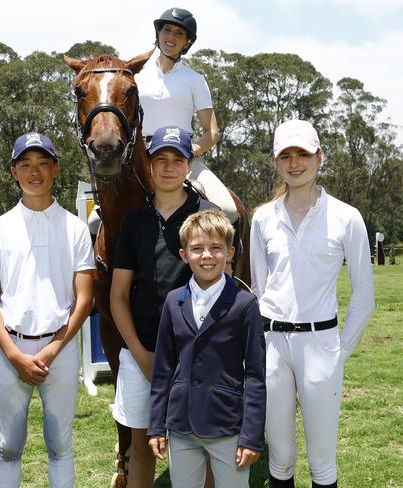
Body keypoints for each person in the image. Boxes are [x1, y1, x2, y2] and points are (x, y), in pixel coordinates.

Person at [250, 119, 375, 488]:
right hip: (273, 345)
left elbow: (364, 297)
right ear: (276, 162)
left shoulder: (346, 217)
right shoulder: (262, 219)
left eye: (302, 153)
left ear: (319, 157)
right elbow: (259, 288)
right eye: (285, 155)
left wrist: (338, 349)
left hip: (321, 344)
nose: (294, 163)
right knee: (281, 456)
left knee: (321, 460)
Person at [0, 132, 94, 487]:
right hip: (10, 349)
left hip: (60, 346)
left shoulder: (75, 228)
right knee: (9, 447)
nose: (34, 172)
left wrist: (54, 348)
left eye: (43, 163)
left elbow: (84, 298)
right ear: (14, 171)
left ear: (55, 168)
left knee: (60, 445)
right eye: (25, 164)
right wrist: (14, 355)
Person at [109, 126, 218, 487]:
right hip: (142, 351)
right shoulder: (134, 221)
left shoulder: (208, 215)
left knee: (201, 448)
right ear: (149, 165)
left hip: (198, 356)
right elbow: (118, 296)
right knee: (142, 447)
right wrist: (141, 355)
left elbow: (220, 293)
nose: (169, 167)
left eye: (178, 160)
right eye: (161, 160)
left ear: (189, 165)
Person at [148, 209, 266, 487]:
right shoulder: (173, 301)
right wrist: (156, 425)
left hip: (227, 426)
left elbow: (256, 375)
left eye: (215, 248)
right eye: (197, 248)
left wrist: (251, 435)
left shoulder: (245, 304)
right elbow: (163, 368)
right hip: (181, 426)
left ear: (230, 252)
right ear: (183, 255)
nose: (207, 255)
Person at [135, 7, 237, 223]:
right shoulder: (136, 75)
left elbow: (211, 132)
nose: (171, 37)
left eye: (179, 33)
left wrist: (191, 151)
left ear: (187, 42)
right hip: (140, 159)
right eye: (167, 30)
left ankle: (228, 257)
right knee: (95, 220)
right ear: (158, 34)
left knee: (228, 209)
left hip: (183, 156)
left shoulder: (195, 80)